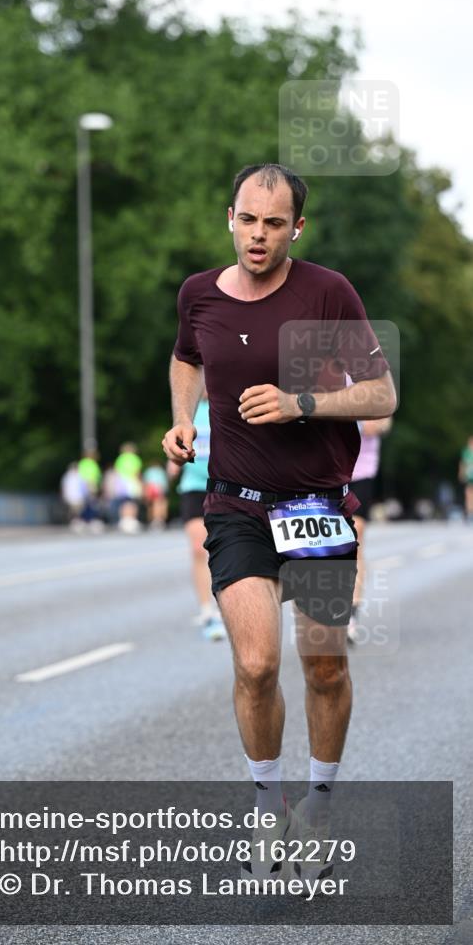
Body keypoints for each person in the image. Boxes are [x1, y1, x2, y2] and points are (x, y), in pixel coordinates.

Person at [162, 163, 397, 881]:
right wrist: (180, 423)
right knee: (256, 665)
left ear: (296, 227)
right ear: (228, 216)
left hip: (315, 508)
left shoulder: (327, 293)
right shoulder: (198, 293)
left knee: (323, 666)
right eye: (246, 219)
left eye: (273, 223)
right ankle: (269, 806)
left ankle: (317, 806)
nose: (257, 235)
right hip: (233, 505)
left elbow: (380, 392)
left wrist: (302, 403)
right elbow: (184, 357)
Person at [167, 390, 226, 641]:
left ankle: (228, 606)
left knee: (224, 549)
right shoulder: (187, 411)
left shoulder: (227, 405)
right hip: (193, 487)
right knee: (198, 548)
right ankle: (207, 611)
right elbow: (175, 447)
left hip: (223, 486)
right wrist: (173, 459)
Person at [348, 417, 393, 643]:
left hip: (361, 469)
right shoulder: (317, 380)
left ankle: (351, 614)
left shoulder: (370, 379)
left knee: (356, 533)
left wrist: (360, 424)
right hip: (324, 470)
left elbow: (383, 422)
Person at [114, 442, 143, 534]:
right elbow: (137, 472)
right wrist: (140, 483)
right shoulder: (135, 458)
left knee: (123, 502)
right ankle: (131, 519)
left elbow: (117, 471)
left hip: (121, 483)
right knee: (132, 502)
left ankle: (124, 520)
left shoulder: (120, 458)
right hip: (131, 482)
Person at [142, 462, 169, 530]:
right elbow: (164, 484)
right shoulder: (160, 471)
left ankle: (155, 520)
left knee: (152, 506)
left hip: (151, 490)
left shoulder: (149, 471)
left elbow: (146, 482)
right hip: (158, 490)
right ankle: (158, 520)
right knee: (159, 505)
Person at [458, 435, 473, 522]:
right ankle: (470, 513)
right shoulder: (466, 452)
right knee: (468, 494)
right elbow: (463, 463)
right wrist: (461, 473)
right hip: (469, 476)